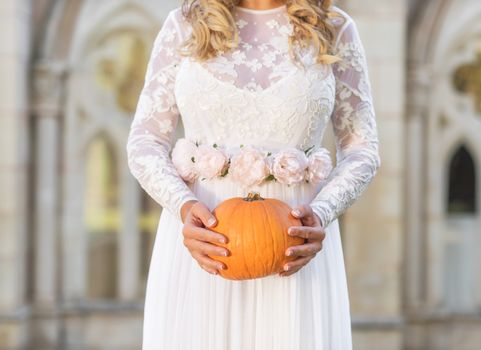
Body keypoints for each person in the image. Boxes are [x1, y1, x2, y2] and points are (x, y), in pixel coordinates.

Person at [126, 0, 380, 348]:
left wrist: (322, 213)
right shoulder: (185, 25)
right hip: (204, 245)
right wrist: (182, 204)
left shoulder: (334, 28)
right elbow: (145, 141)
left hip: (296, 248)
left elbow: (362, 149)